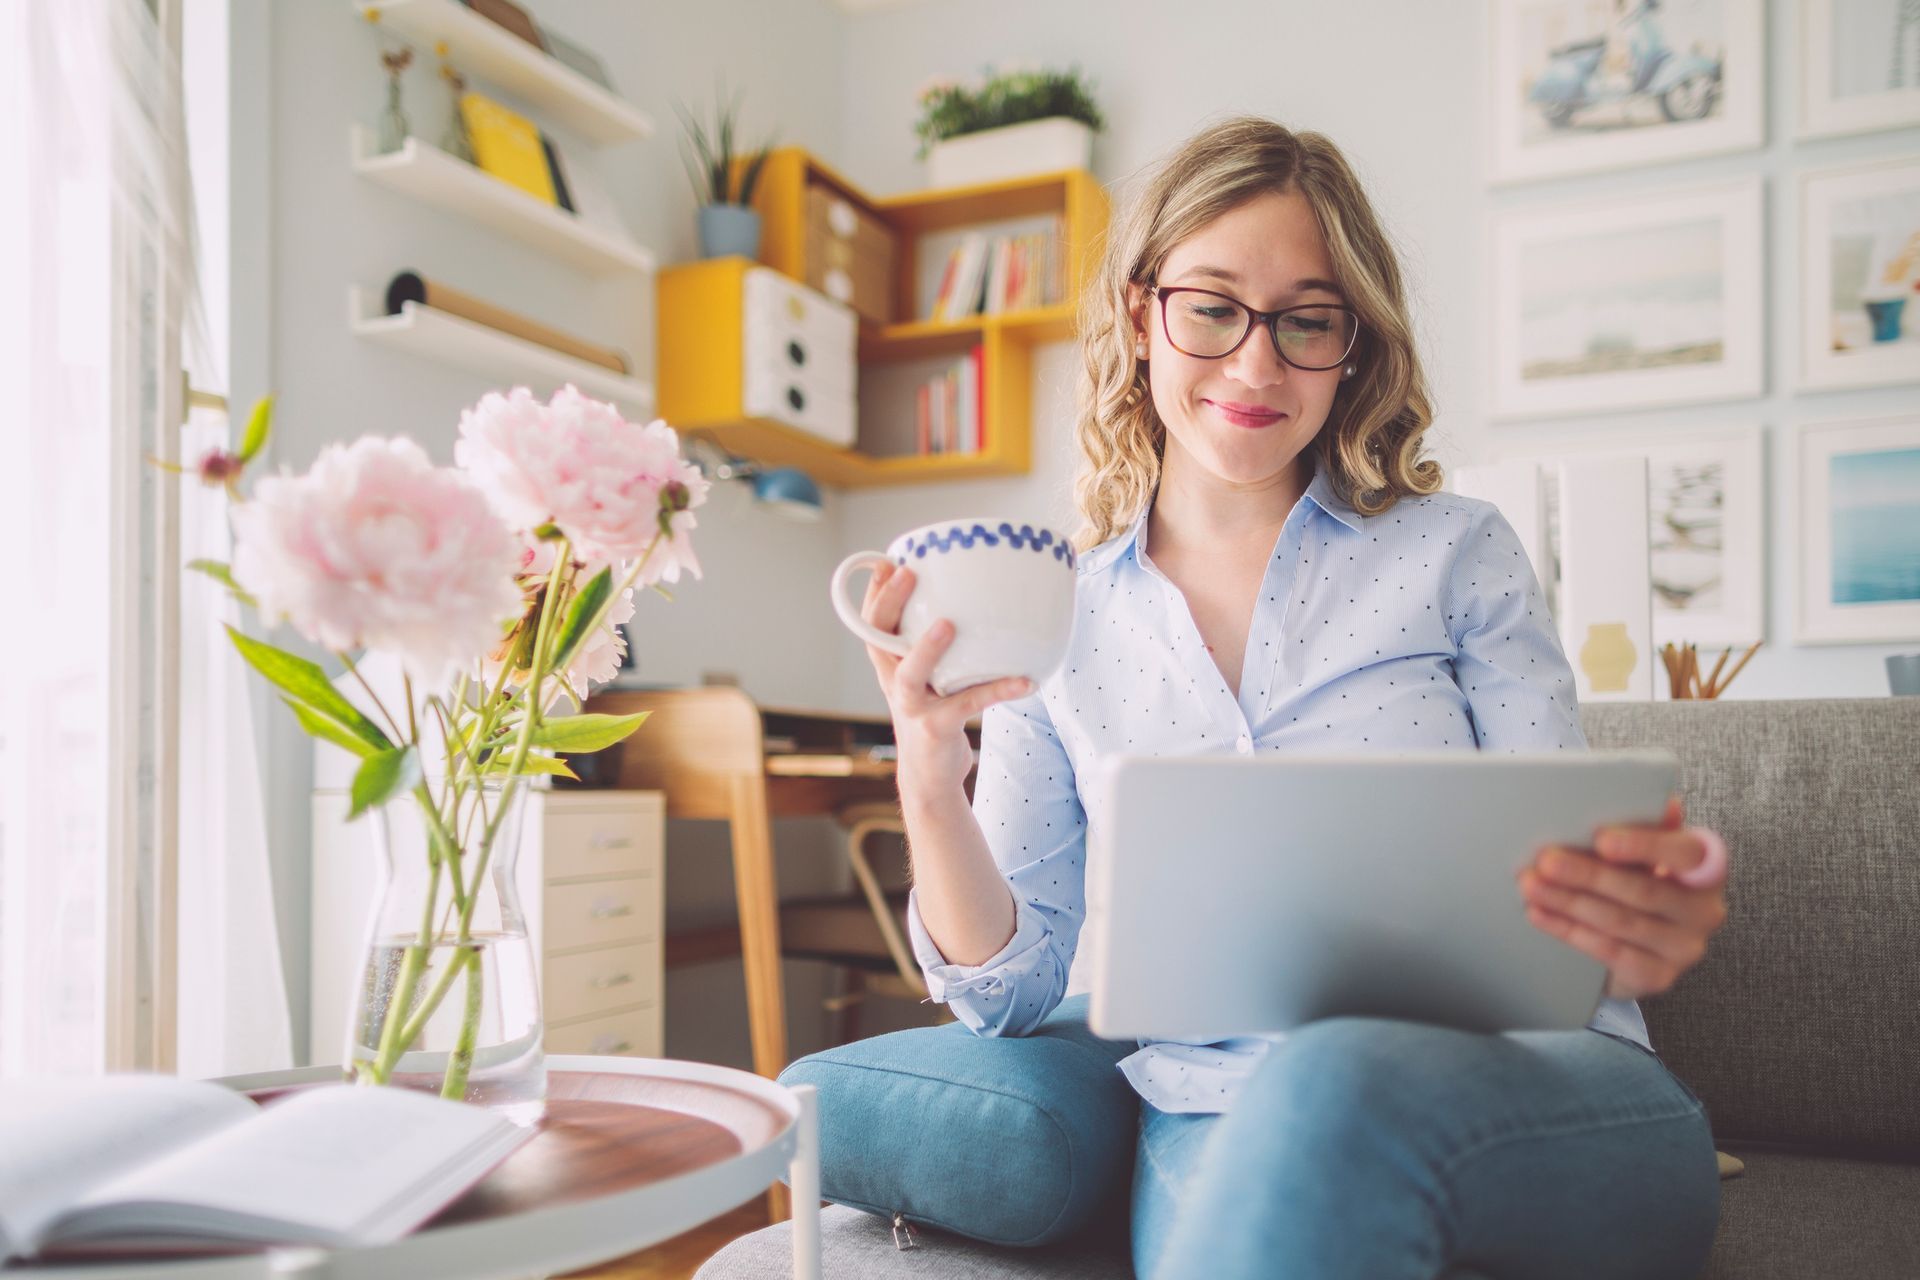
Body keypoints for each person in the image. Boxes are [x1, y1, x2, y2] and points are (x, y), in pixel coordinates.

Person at [849, 116, 1729, 1279]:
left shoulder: (1457, 553)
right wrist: (928, 765)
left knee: (1339, 1078)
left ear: (1353, 345)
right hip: (1219, 1106)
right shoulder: (1064, 614)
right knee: (1295, 1121)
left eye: (1307, 320)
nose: (1257, 365)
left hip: (1532, 1083)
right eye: (1212, 306)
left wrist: (1632, 902)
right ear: (1139, 312)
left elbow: (1574, 891)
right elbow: (1008, 990)